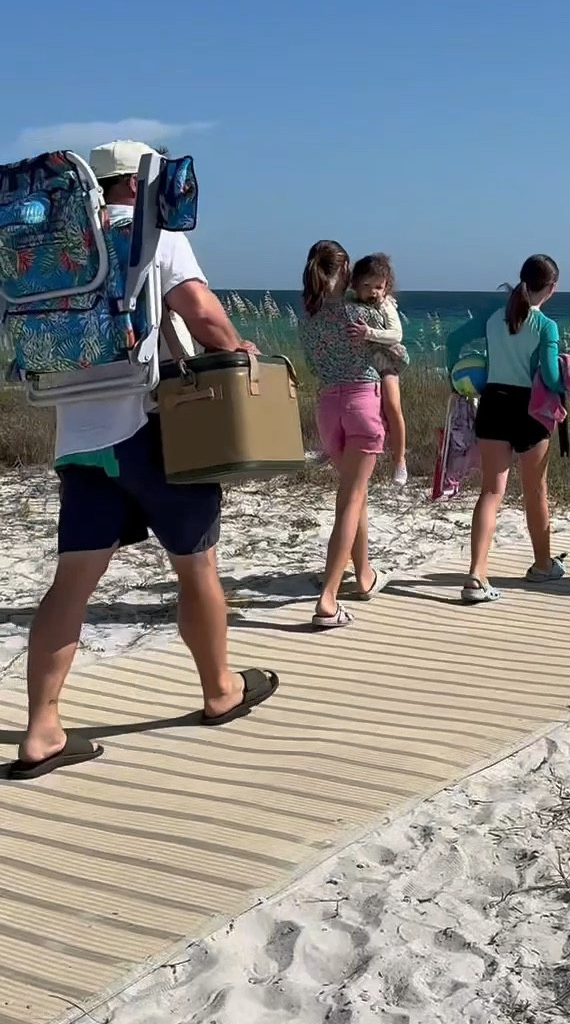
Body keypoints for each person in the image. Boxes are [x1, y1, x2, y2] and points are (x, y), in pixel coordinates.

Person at [11, 140, 279, 782]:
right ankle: (219, 689)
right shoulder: (149, 232)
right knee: (196, 566)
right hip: (153, 429)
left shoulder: (57, 248)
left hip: (78, 435)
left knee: (71, 582)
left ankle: (42, 729)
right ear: (141, 183)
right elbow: (205, 316)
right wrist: (240, 348)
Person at [445, 255, 564, 604]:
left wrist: (456, 378)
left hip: (493, 403)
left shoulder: (494, 315)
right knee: (535, 491)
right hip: (530, 409)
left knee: (491, 493)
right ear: (552, 289)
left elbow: (454, 342)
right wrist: (566, 387)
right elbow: (552, 377)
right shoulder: (546, 326)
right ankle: (543, 565)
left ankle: (476, 574)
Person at [296, 240, 394, 626]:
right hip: (360, 403)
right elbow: (398, 352)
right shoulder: (361, 312)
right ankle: (328, 598)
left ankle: (364, 575)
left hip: (328, 408)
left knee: (356, 494)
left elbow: (313, 362)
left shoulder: (308, 314)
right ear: (346, 269)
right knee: (350, 501)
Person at [350, 253, 410, 488]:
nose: (373, 291)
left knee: (393, 405)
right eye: (367, 285)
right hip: (362, 364)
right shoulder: (351, 302)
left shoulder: (385, 305)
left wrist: (370, 334)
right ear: (355, 284)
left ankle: (400, 460)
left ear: (386, 287)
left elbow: (397, 334)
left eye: (379, 286)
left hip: (386, 361)